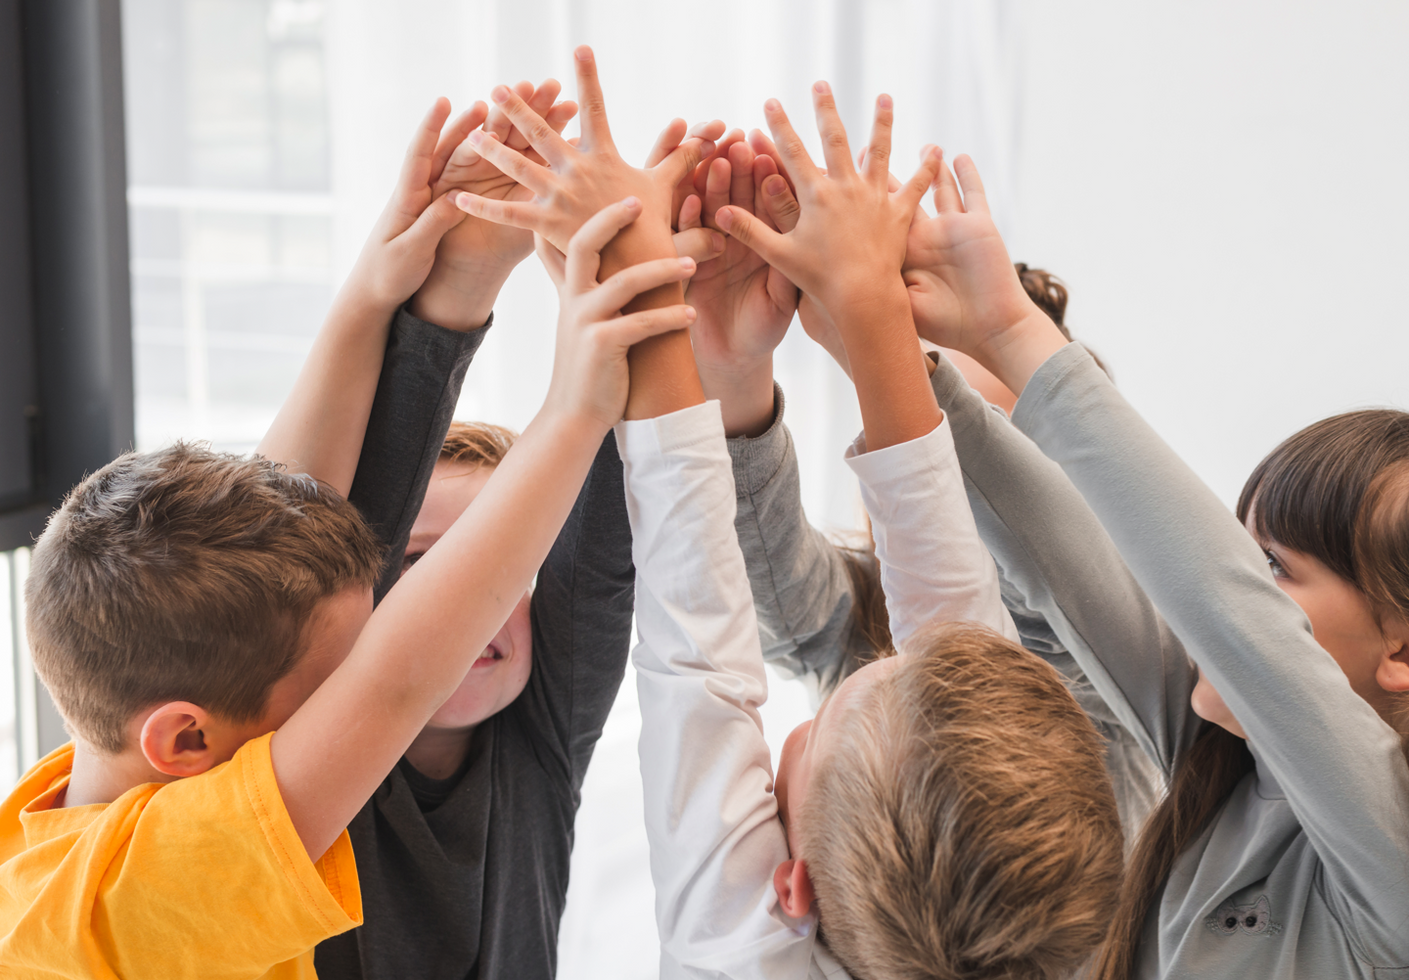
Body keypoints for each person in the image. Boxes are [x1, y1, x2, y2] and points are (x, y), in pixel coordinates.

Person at [0, 88, 709, 977]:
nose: (390, 634)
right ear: (185, 739)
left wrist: (403, 291)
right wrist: (572, 409)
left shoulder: (88, 796)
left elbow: (298, 509)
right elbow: (391, 686)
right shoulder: (124, 907)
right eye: (332, 676)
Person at [876, 153, 1409, 977]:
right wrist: (882, 336)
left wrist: (1012, 330)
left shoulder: (1404, 865)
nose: (1230, 585)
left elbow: (1223, 607)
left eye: (1272, 567)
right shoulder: (1217, 765)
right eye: (1242, 553)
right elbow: (1064, 553)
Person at [313, 82, 726, 980]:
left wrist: (634, 289)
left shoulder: (541, 739)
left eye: (501, 576)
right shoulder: (315, 757)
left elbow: (602, 556)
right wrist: (459, 286)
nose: (471, 607)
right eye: (423, 567)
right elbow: (350, 534)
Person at [675, 124, 1164, 840]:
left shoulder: (1118, 667)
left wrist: (875, 332)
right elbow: (780, 584)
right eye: (916, 426)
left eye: (987, 446)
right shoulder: (858, 634)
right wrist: (736, 370)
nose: (945, 480)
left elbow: (989, 635)